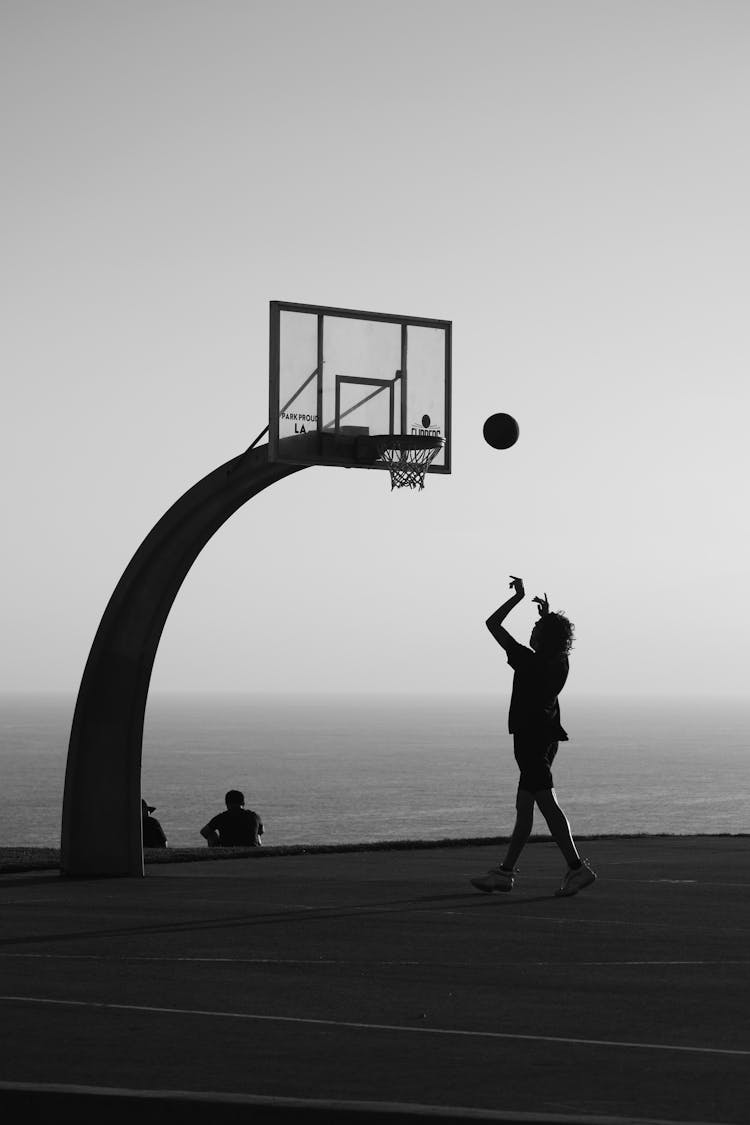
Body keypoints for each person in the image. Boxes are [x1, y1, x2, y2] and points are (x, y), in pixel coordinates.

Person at [471, 575, 596, 897]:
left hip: (530, 739)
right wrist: (546, 617)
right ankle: (505, 873)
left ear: (541, 639)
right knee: (525, 805)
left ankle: (576, 867)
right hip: (548, 736)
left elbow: (492, 624)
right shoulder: (560, 661)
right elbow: (551, 640)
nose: (531, 633)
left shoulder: (528, 661)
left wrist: (518, 598)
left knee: (544, 801)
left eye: (536, 631)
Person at [200, 789, 264, 847]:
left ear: (227, 804)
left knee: (210, 833)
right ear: (243, 803)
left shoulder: (221, 818)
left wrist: (217, 840)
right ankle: (258, 849)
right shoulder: (254, 816)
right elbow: (262, 831)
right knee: (258, 832)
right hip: (252, 849)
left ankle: (216, 851)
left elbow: (204, 832)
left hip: (227, 848)